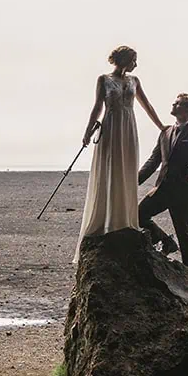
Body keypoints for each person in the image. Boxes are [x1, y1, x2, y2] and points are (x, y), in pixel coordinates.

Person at [74, 45, 166, 262]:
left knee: (126, 171)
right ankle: (106, 221)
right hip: (112, 128)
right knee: (110, 171)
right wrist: (88, 131)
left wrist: (162, 127)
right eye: (134, 59)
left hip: (128, 128)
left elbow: (147, 105)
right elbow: (97, 106)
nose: (136, 64)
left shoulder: (134, 81)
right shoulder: (103, 80)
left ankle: (124, 221)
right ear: (125, 59)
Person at [138, 93, 188, 274]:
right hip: (162, 188)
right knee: (138, 214)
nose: (173, 104)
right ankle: (166, 241)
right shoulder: (165, 133)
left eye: (177, 103)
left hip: (183, 191)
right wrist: (133, 182)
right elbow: (153, 161)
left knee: (185, 236)